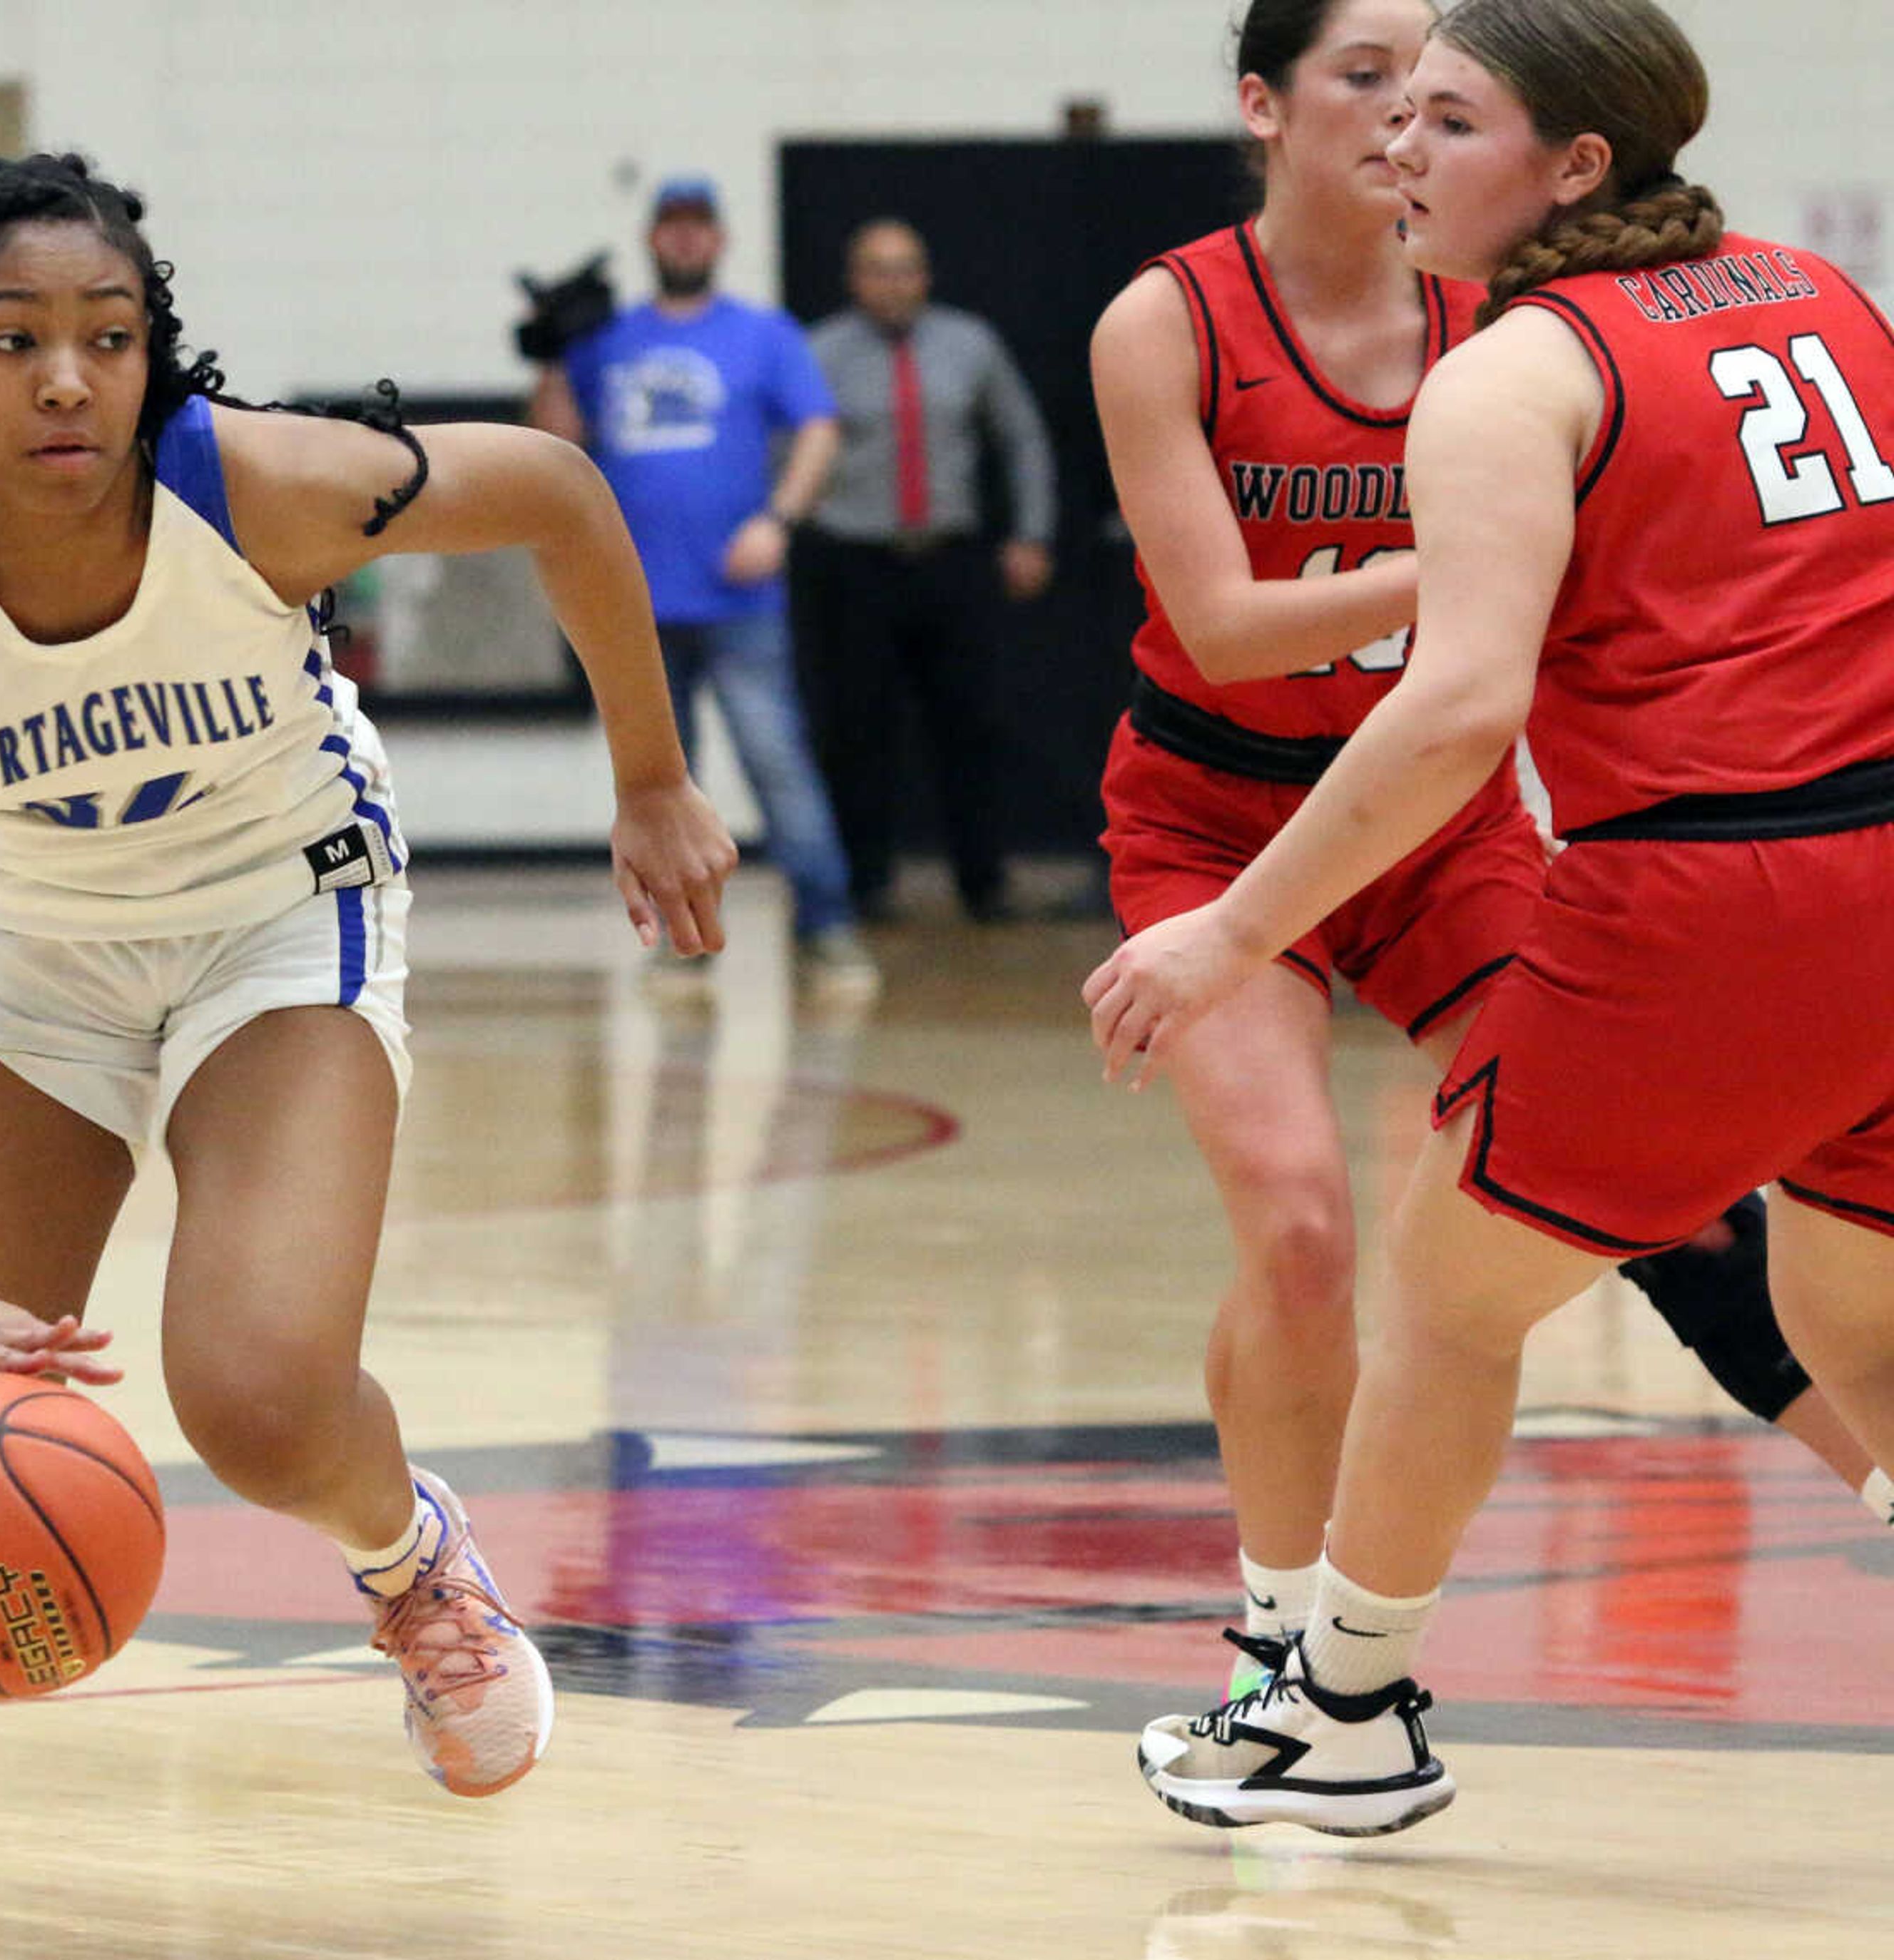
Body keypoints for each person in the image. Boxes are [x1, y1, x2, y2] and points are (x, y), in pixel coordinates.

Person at [0, 152, 736, 1934]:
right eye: (13, 340)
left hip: (277, 911)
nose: (68, 376)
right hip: (30, 962)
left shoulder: (258, 490)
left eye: (109, 335)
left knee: (254, 1393)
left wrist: (650, 776)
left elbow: (551, 486)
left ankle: (411, 1567)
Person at [1091, 0, 1894, 1834]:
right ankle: (1271, 1633)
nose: (1400, 144)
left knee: (1449, 1292)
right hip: (1833, 867)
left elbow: (1455, 713)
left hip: (1683, 880)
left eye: (1444, 116)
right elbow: (1229, 628)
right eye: (1377, 98)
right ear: (1262, 109)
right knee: (1850, 1308)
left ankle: (1342, 1713)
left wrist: (1220, 937)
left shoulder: (1504, 369)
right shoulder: (1810, 292)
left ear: (1573, 162)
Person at [525, 175, 876, 998]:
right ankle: (679, 945)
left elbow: (819, 430)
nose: (685, 240)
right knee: (656, 790)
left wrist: (779, 521)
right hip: (633, 608)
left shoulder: (763, 335)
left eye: (699, 228)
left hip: (741, 604)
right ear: (653, 240)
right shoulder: (606, 339)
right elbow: (551, 450)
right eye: (671, 227)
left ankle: (828, 931)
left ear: (719, 241)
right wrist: (550, 354)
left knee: (778, 767)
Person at [797, 217, 1059, 921]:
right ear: (855, 279)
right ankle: (866, 884)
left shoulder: (970, 343)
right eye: (878, 269)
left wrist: (1030, 534)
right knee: (858, 731)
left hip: (952, 562)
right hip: (856, 563)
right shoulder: (819, 352)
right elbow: (787, 448)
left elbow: (1022, 438)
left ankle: (983, 882)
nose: (894, 282)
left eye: (906, 267)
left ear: (927, 274)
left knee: (969, 726)